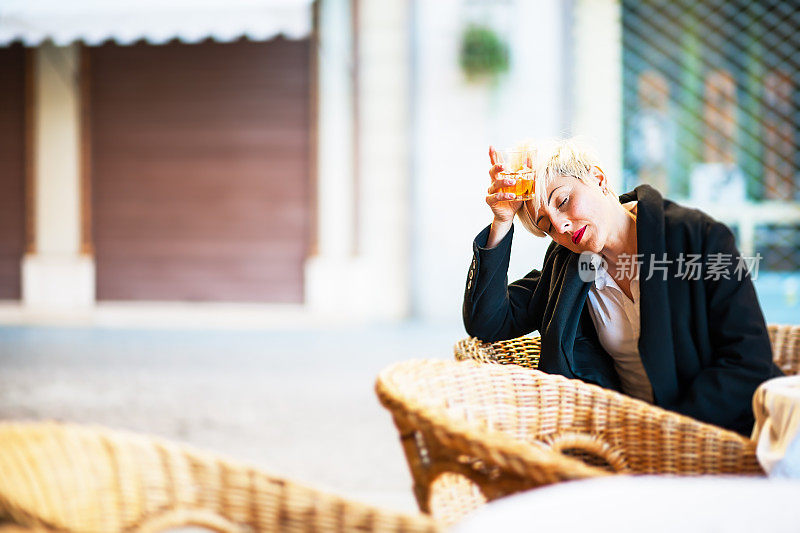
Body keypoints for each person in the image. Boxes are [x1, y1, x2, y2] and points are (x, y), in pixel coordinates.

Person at [463, 138, 782, 436]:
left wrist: (662, 434)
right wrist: (502, 220)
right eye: (546, 226)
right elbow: (487, 320)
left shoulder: (698, 238)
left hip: (734, 434)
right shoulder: (568, 266)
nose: (560, 225)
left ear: (598, 179)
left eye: (563, 200)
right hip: (629, 448)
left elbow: (747, 361)